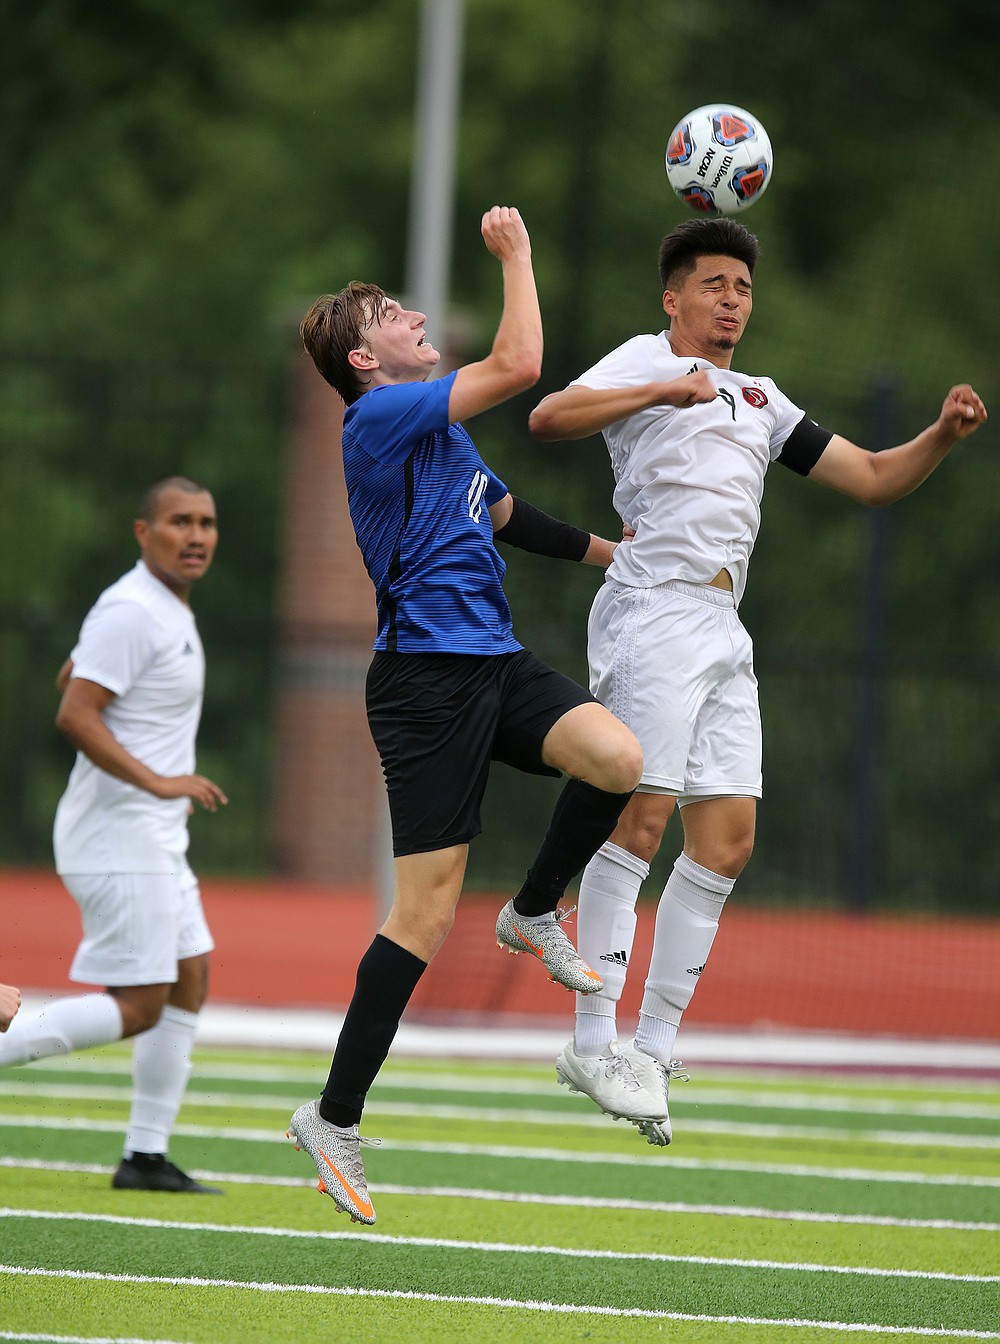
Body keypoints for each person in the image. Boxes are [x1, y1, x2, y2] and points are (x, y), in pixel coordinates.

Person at [528, 216, 988, 1145]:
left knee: (728, 841)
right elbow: (546, 419)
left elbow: (867, 476)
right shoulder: (643, 361)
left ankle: (654, 1049)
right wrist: (665, 387)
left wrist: (940, 434)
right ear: (673, 297)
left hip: (722, 624)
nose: (731, 301)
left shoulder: (763, 398)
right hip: (652, 605)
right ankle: (593, 1040)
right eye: (713, 285)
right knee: (640, 819)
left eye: (742, 288)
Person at [287, 205, 643, 1225]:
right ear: (365, 358)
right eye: (396, 315)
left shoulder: (435, 431)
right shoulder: (378, 416)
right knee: (423, 915)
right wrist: (519, 255)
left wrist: (612, 556)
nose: (414, 317)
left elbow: (501, 513)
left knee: (618, 758)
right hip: (424, 687)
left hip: (494, 663)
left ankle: (533, 910)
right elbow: (523, 359)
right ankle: (334, 1114)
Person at [0, 477, 228, 1192]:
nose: (195, 536)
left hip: (149, 833)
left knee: (190, 977)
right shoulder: (135, 608)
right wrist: (160, 783)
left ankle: (145, 1157)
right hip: (119, 834)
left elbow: (80, 674)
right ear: (143, 532)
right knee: (139, 1004)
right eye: (178, 522)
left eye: (206, 523)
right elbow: (76, 713)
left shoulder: (161, 607)